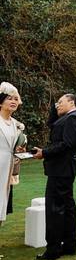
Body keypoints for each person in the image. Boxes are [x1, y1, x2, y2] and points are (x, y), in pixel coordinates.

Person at [33, 93, 76, 260]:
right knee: (67, 207)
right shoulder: (68, 117)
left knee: (55, 209)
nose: (57, 105)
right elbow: (52, 124)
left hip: (61, 169)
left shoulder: (73, 118)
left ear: (71, 102)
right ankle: (69, 245)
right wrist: (55, 109)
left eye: (60, 102)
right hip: (63, 169)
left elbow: (66, 144)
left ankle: (53, 249)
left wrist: (44, 153)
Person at [0, 83, 26, 228]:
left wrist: (20, 151)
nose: (13, 102)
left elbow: (16, 148)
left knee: (2, 207)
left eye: (16, 99)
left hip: (7, 171)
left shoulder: (17, 125)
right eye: (9, 98)